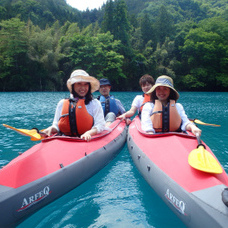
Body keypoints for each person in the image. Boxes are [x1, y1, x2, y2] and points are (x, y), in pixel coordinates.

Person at [43, 69, 106, 141]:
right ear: (73, 86)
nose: (83, 87)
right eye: (79, 84)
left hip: (86, 139)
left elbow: (100, 125)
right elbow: (56, 125)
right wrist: (52, 128)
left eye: (86, 84)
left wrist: (89, 133)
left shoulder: (95, 103)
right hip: (65, 139)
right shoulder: (62, 103)